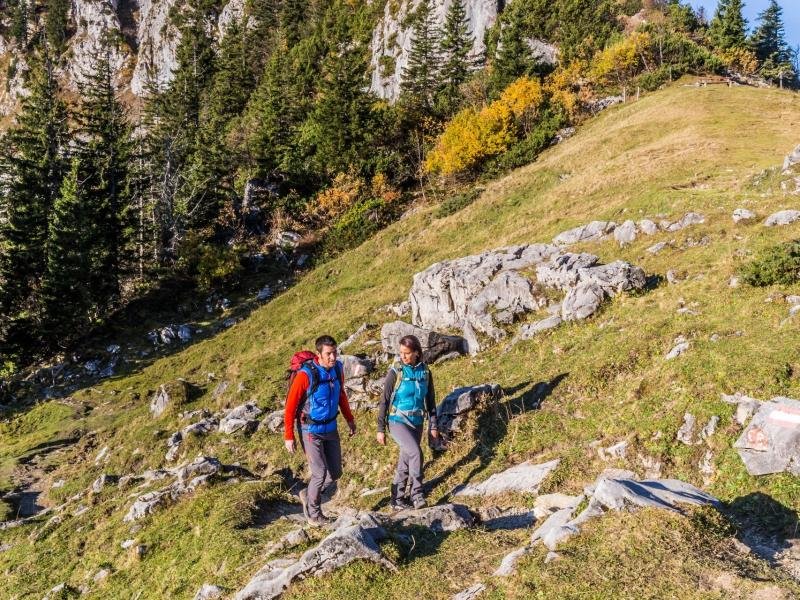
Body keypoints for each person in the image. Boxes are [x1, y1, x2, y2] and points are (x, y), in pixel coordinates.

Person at [284, 335, 357, 526]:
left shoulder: (338, 369)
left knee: (335, 473)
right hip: (310, 429)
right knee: (319, 473)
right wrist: (289, 436)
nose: (333, 357)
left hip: (330, 427)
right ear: (319, 354)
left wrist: (349, 419)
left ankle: (307, 495)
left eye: (335, 352)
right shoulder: (305, 375)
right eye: (328, 354)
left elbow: (341, 394)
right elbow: (290, 407)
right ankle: (314, 514)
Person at [376, 335, 438, 510]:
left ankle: (397, 499)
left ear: (417, 353)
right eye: (401, 353)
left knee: (405, 460)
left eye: (407, 353)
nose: (403, 357)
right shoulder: (396, 371)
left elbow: (431, 401)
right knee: (416, 453)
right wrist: (380, 428)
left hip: (417, 422)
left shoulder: (426, 372)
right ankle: (417, 494)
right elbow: (384, 400)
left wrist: (433, 425)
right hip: (398, 421)